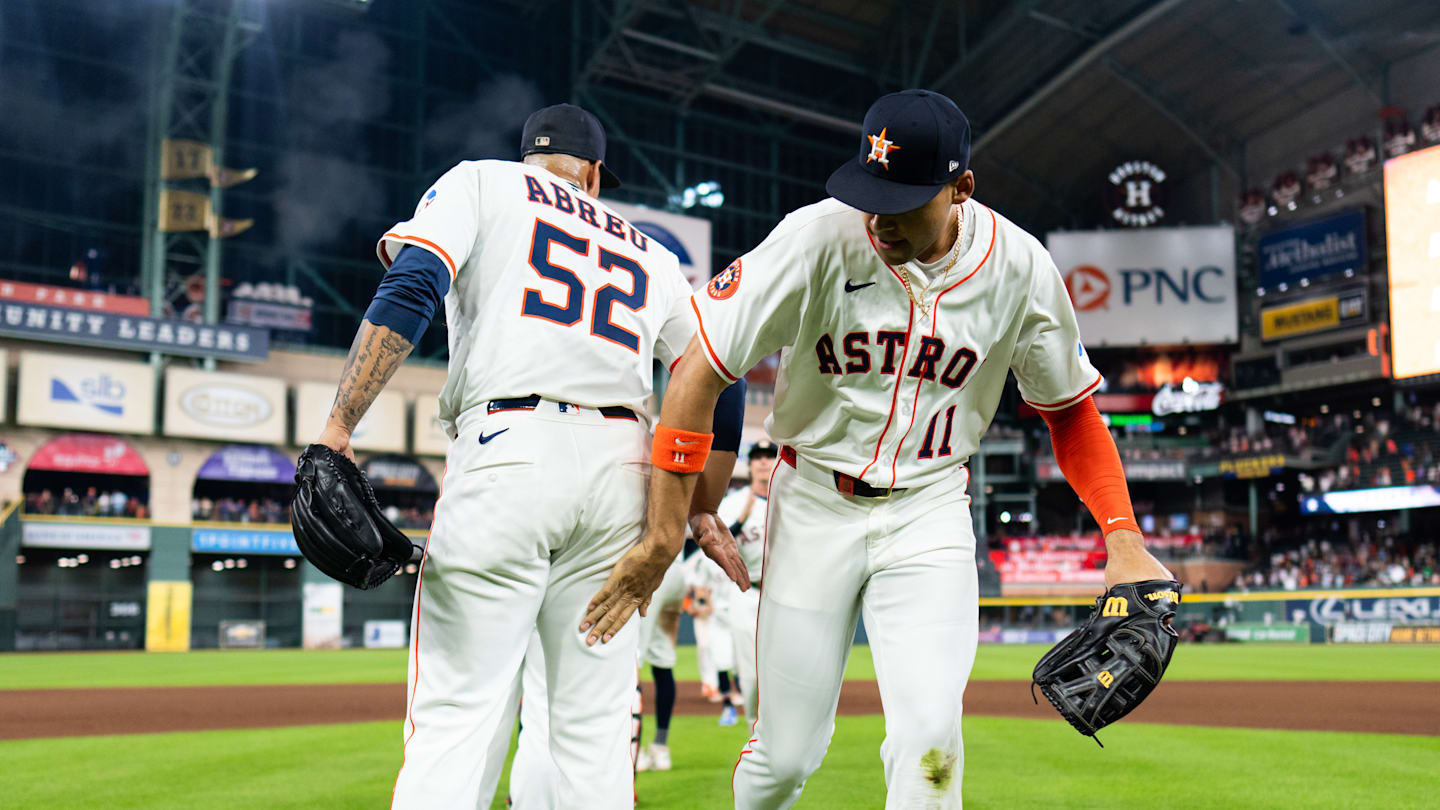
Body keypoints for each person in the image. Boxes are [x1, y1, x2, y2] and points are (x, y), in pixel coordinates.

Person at [582, 89, 1172, 808]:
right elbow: (699, 368)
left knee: (931, 742)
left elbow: (1070, 410)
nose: (879, 218)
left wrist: (1123, 537)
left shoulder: (1020, 267)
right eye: (870, 193)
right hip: (813, 501)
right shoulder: (815, 238)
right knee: (785, 758)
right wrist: (671, 523)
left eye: (903, 202)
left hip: (930, 509)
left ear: (961, 189)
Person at [310, 103, 749, 810]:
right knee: (591, 732)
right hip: (621, 475)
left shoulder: (484, 182)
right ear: (594, 174)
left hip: (507, 451)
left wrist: (339, 426)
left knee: (459, 715)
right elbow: (720, 378)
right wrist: (699, 509)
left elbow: (413, 284)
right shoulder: (654, 254)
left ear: (529, 160)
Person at [719, 439, 778, 722]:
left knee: (788, 673)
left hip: (786, 595)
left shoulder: (792, 500)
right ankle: (755, 735)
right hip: (748, 592)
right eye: (758, 457)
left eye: (769, 456)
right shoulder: (733, 504)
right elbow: (717, 544)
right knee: (752, 676)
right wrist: (741, 518)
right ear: (750, 465)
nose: (764, 461)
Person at [635, 553, 689, 772]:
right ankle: (660, 748)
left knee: (630, 663)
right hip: (676, 571)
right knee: (663, 664)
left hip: (651, 566)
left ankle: (633, 748)